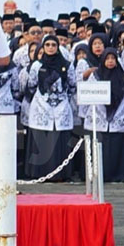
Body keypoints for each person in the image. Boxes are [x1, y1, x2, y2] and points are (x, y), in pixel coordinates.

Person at [21, 35, 76, 180]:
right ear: (43, 47)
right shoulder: (36, 66)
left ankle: (60, 174)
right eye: (48, 45)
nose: (51, 48)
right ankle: (39, 174)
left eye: (53, 45)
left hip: (61, 106)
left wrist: (61, 98)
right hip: (41, 106)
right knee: (41, 139)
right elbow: (31, 85)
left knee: (59, 140)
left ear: (58, 47)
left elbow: (72, 85)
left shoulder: (68, 65)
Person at [84, 48, 124, 182]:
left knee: (118, 147)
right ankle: (99, 174)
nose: (110, 61)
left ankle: (119, 175)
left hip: (119, 116)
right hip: (99, 116)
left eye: (113, 59)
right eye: (107, 59)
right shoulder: (96, 76)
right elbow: (88, 93)